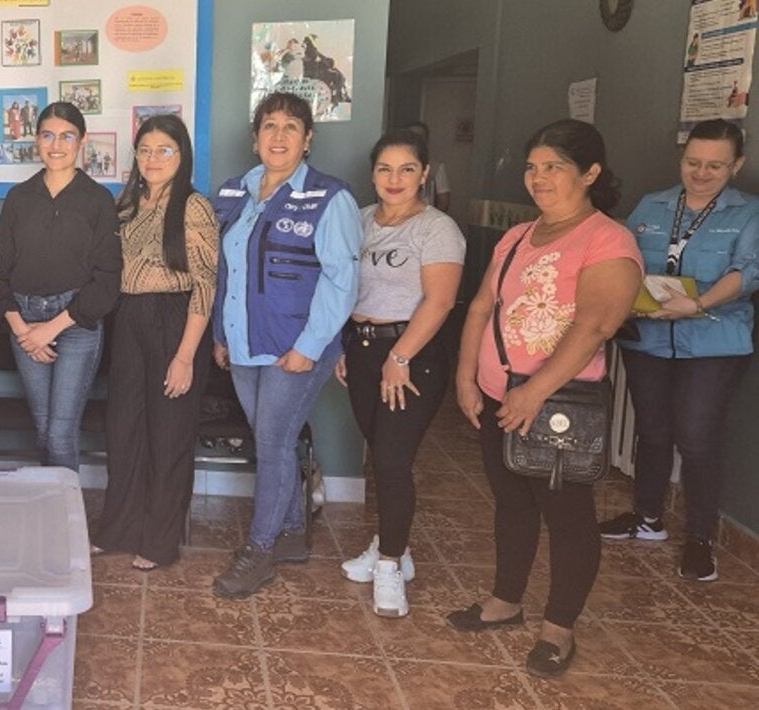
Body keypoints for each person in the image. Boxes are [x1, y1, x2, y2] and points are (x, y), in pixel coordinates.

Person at [450, 119, 641, 679]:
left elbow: (595, 325)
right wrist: (466, 376)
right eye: (533, 167)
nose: (538, 178)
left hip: (559, 406)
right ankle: (506, 600)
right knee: (511, 502)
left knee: (567, 516)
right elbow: (482, 306)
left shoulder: (609, 240)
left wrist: (535, 391)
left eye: (553, 166)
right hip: (498, 395)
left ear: (591, 173)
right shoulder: (518, 236)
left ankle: (559, 626)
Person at [207, 92, 362, 598]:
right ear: (255, 138)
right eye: (269, 126)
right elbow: (220, 274)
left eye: (291, 127)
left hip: (295, 347)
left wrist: (311, 346)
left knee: (271, 442)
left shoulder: (330, 197)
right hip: (244, 343)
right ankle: (293, 533)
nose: (278, 136)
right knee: (274, 439)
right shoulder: (233, 193)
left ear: (308, 139)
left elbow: (342, 282)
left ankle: (260, 550)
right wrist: (221, 336)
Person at [599, 119, 759, 582]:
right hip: (649, 338)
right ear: (682, 158)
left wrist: (699, 303)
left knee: (695, 436)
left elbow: (746, 273)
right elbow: (625, 261)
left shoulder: (748, 213)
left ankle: (701, 538)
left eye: (715, 165)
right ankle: (647, 518)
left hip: (713, 340)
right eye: (693, 162)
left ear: (737, 165)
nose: (702, 173)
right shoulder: (653, 205)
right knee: (651, 430)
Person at [334, 129, 464, 617]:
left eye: (407, 169)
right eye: (385, 169)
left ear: (424, 174)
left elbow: (442, 299)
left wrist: (401, 356)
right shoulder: (361, 220)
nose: (395, 179)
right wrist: (349, 344)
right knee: (380, 454)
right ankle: (395, 547)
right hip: (364, 350)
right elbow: (345, 287)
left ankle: (389, 565)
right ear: (373, 174)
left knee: (392, 459)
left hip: (413, 356)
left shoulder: (437, 228)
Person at [93, 114, 218, 572]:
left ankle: (160, 541)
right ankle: (118, 530)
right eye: (145, 149)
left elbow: (205, 284)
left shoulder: (194, 206)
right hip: (128, 319)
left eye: (164, 149)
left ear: (181, 155)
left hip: (176, 319)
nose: (153, 158)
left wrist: (185, 356)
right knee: (123, 429)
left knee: (168, 435)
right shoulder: (127, 203)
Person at [0, 102, 121, 471]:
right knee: (43, 426)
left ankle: (66, 523)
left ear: (81, 142)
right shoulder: (19, 198)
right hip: (24, 320)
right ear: (36, 140)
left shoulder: (97, 199)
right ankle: (49, 512)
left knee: (61, 432)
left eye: (67, 136)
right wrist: (23, 331)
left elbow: (107, 279)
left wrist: (50, 328)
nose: (56, 144)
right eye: (48, 135)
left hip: (75, 324)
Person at [406, 122, 451, 213]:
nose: (416, 139)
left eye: (420, 136)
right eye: (412, 136)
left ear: (426, 140)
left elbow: (444, 201)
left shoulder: (436, 168)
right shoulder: (394, 166)